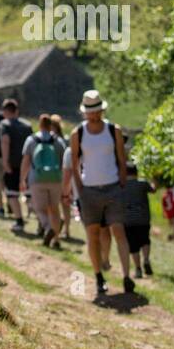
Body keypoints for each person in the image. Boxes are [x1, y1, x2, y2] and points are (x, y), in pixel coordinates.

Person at [69, 89, 134, 296]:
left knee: (118, 231)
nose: (94, 115)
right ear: (85, 113)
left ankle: (126, 277)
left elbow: (122, 159)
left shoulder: (113, 130)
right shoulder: (77, 134)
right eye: (91, 112)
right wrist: (80, 188)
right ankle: (98, 276)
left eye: (97, 111)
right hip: (89, 191)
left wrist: (122, 181)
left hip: (113, 186)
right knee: (93, 234)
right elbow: (74, 164)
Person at [20, 114, 65, 248]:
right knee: (55, 208)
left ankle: (48, 226)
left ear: (39, 125)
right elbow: (63, 160)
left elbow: (26, 161)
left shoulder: (31, 140)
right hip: (56, 179)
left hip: (37, 178)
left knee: (40, 208)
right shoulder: (58, 141)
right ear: (51, 125)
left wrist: (22, 179)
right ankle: (56, 239)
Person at [0, 99, 32, 230]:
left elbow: (5, 142)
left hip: (12, 163)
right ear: (16, 110)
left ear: (5, 111)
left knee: (12, 194)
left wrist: (5, 162)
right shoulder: (27, 125)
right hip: (27, 163)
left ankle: (19, 221)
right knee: (29, 193)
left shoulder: (4, 125)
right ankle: (41, 222)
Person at [121, 163, 155, 277]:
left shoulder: (122, 185)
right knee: (145, 240)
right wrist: (154, 180)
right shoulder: (143, 184)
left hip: (128, 220)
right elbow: (153, 190)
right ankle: (146, 259)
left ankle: (138, 268)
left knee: (133, 245)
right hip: (143, 219)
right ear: (136, 172)